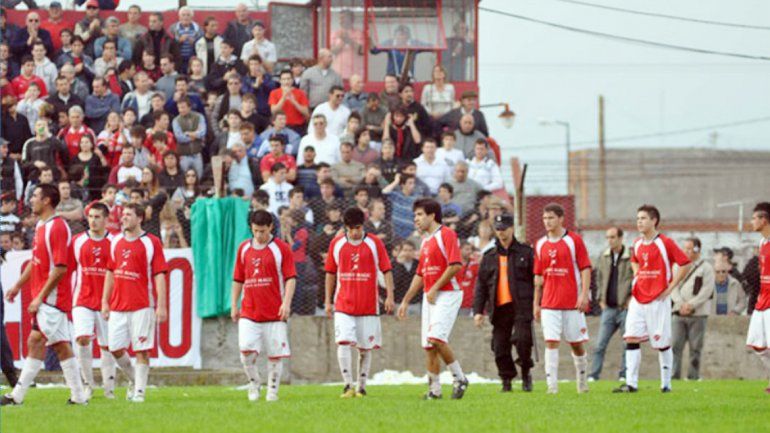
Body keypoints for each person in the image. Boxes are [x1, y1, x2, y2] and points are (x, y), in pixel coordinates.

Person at [1, 184, 87, 406]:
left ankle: (17, 396)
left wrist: (40, 297)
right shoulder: (41, 225)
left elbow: (60, 268)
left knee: (41, 341)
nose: (31, 200)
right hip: (45, 296)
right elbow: (36, 261)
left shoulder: (57, 228)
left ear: (47, 200)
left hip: (53, 298)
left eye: (36, 196)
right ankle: (77, 396)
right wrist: (18, 286)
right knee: (53, 343)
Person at [614, 204, 691, 393]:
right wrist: (637, 275)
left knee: (662, 343)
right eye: (637, 218)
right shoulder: (637, 244)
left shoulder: (665, 242)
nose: (639, 222)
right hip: (638, 299)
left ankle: (666, 384)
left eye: (643, 218)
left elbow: (685, 264)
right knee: (631, 338)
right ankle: (631, 383)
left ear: (654, 220)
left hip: (658, 300)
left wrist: (671, 287)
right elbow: (634, 260)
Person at [397, 199, 469, 400]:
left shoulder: (446, 234)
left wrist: (436, 287)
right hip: (431, 296)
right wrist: (405, 300)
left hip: (448, 293)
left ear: (432, 216)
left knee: (437, 338)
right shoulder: (426, 240)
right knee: (428, 346)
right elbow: (420, 274)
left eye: (419, 215)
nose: (416, 219)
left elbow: (455, 265)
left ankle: (460, 377)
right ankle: (434, 390)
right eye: (415, 216)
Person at [101, 203, 168, 403]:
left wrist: (161, 306)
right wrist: (105, 301)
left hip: (142, 305)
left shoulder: (151, 242)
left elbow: (159, 275)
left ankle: (139, 392)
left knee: (141, 350)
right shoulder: (115, 241)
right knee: (114, 348)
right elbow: (110, 272)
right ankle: (134, 379)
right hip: (118, 306)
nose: (124, 218)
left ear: (140, 218)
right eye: (123, 215)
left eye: (128, 215)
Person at [325, 207, 394, 397]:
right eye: (351, 228)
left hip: (368, 306)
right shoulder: (337, 244)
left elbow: (386, 269)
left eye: (358, 228)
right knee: (343, 343)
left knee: (365, 348)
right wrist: (327, 301)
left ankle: (361, 387)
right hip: (343, 305)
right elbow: (330, 273)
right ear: (345, 227)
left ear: (363, 225)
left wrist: (389, 296)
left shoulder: (374, 243)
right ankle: (347, 385)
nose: (355, 232)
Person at [231, 210, 296, 402]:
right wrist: (233, 305)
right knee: (245, 352)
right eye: (255, 231)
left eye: (262, 231)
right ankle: (254, 383)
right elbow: (238, 278)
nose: (259, 235)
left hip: (275, 312)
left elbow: (291, 278)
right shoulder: (243, 248)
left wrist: (286, 304)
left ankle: (272, 392)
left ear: (270, 227)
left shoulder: (281, 248)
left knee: (275, 355)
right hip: (249, 311)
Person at [533, 203, 592, 394]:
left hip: (572, 303)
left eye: (550, 218)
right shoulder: (540, 244)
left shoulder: (574, 241)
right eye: (544, 218)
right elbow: (539, 278)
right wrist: (536, 304)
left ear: (560, 219)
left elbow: (585, 268)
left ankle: (582, 382)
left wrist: (584, 295)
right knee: (551, 342)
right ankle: (552, 387)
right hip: (549, 303)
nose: (547, 222)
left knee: (576, 344)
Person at [473, 213, 535, 392]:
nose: (501, 233)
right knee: (499, 347)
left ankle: (525, 373)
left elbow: (536, 281)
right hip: (499, 308)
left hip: (521, 306)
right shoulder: (489, 256)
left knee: (523, 341)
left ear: (512, 228)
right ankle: (506, 380)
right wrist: (478, 311)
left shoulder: (526, 252)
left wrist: (537, 304)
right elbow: (481, 286)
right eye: (498, 229)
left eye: (504, 229)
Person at [70, 202, 117, 399]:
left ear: (106, 219)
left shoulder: (115, 242)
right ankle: (88, 385)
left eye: (98, 217)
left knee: (108, 346)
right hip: (82, 299)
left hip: (107, 302)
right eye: (90, 216)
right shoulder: (78, 241)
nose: (93, 221)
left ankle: (109, 389)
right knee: (82, 338)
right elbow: (68, 269)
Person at [589, 226, 633, 382]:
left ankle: (624, 374)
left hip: (625, 309)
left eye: (613, 237)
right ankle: (593, 375)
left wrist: (631, 299)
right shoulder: (604, 256)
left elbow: (636, 278)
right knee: (600, 344)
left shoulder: (631, 257)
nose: (610, 240)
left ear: (621, 238)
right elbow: (598, 278)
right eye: (608, 237)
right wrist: (600, 299)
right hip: (608, 308)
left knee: (627, 343)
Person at [670, 237, 715, 381]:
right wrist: (681, 303)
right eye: (685, 248)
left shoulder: (706, 267)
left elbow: (707, 290)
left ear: (697, 250)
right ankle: (673, 375)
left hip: (698, 314)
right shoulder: (678, 266)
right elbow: (673, 286)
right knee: (675, 346)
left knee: (695, 348)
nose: (687, 251)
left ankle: (693, 376)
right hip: (678, 312)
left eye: (690, 248)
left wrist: (691, 305)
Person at [744, 202, 770, 393]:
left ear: (764, 219)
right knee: (757, 344)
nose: (751, 222)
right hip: (762, 299)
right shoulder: (762, 242)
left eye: (754, 218)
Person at [269, 69, 310, 135]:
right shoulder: (274, 93)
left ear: (292, 80)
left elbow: (306, 113)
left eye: (288, 79)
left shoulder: (300, 93)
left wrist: (294, 102)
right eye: (284, 79)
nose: (286, 81)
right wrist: (283, 97)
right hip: (281, 126)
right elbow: (273, 111)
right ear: (280, 81)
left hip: (297, 127)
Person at [330, 11, 364, 79]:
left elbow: (362, 51)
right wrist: (343, 42)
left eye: (343, 18)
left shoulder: (359, 33)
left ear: (351, 19)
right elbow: (331, 52)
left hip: (356, 73)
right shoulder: (335, 33)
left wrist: (349, 40)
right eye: (340, 18)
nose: (341, 21)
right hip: (338, 72)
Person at [168, 7, 202, 73]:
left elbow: (202, 43)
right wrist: (179, 41)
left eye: (188, 15)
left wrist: (195, 42)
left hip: (192, 59)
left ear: (192, 17)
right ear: (179, 17)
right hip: (178, 59)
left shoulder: (198, 28)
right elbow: (169, 43)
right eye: (183, 15)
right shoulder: (173, 28)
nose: (185, 17)